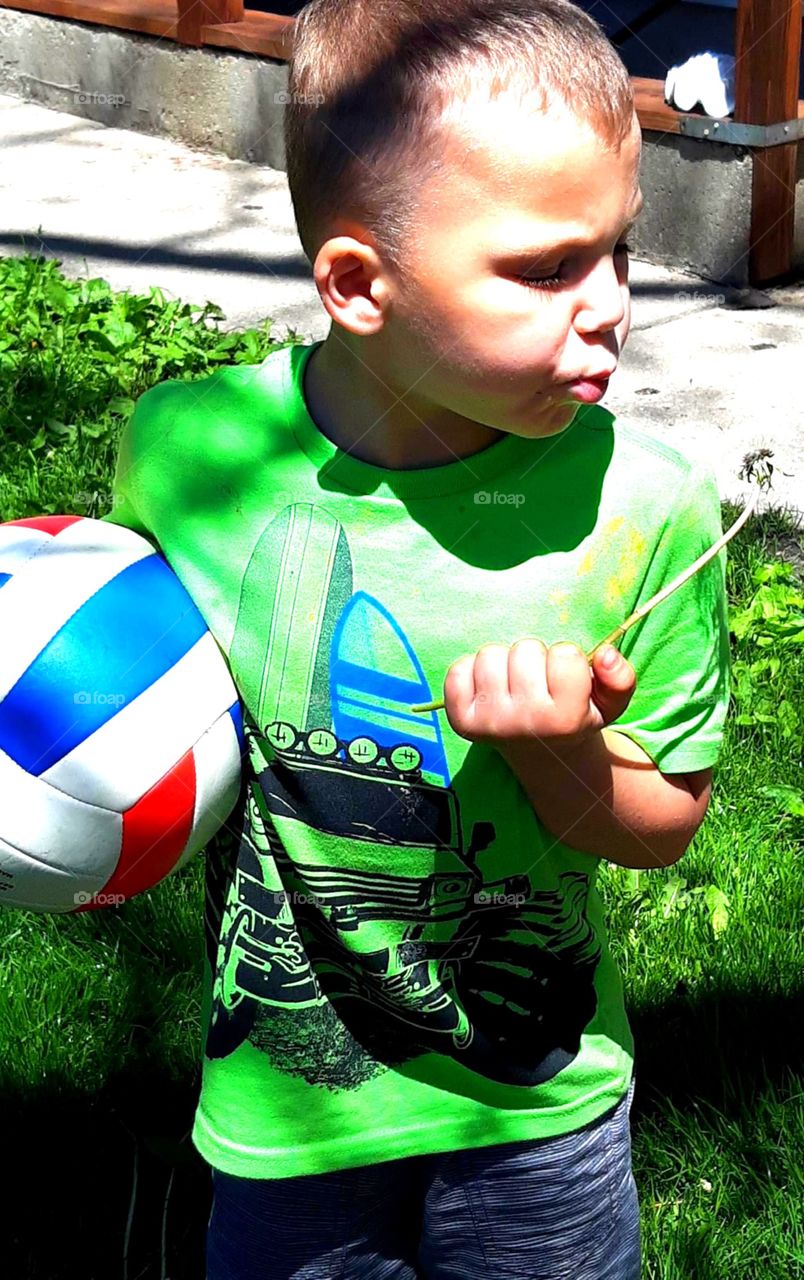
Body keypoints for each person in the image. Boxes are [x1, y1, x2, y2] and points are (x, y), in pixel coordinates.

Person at [103, 1, 731, 1275]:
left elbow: (665, 826)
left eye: (620, 247)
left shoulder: (645, 507)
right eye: (548, 268)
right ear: (356, 284)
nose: (612, 304)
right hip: (288, 1115)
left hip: (533, 1107)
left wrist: (563, 753)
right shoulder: (187, 459)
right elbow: (124, 711)